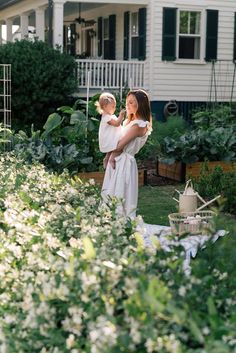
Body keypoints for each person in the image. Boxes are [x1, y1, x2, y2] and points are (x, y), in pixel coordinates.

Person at [101, 89, 152, 218]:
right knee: (110, 194)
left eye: (131, 102)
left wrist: (110, 154)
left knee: (119, 196)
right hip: (117, 160)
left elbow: (119, 146)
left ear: (140, 104)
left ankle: (121, 225)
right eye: (127, 102)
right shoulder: (129, 122)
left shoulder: (139, 125)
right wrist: (109, 155)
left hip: (124, 163)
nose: (127, 105)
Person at [96, 92, 126, 169]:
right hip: (109, 137)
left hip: (112, 135)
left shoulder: (110, 116)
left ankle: (107, 159)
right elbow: (116, 124)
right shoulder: (106, 117)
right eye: (113, 106)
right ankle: (107, 160)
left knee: (112, 148)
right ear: (105, 106)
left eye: (115, 106)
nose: (114, 108)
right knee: (113, 147)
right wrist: (121, 116)